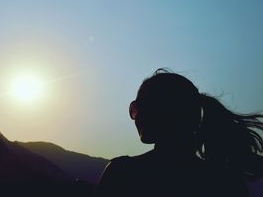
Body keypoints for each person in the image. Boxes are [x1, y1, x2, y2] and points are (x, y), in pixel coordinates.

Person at [96, 69, 263, 197]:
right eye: (134, 108)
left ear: (167, 110)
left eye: (140, 106)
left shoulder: (121, 173)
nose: (136, 115)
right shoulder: (226, 184)